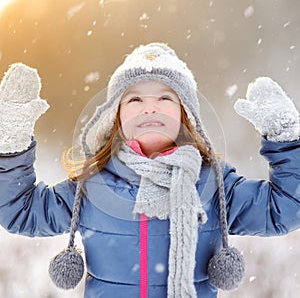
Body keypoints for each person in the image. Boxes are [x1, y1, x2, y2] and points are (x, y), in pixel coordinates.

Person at [0, 43, 300, 298]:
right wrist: (11, 141)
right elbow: (22, 211)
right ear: (115, 117)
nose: (150, 108)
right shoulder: (94, 186)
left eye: (165, 98)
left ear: (186, 115)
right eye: (135, 99)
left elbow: (285, 209)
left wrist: (287, 141)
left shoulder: (214, 185)